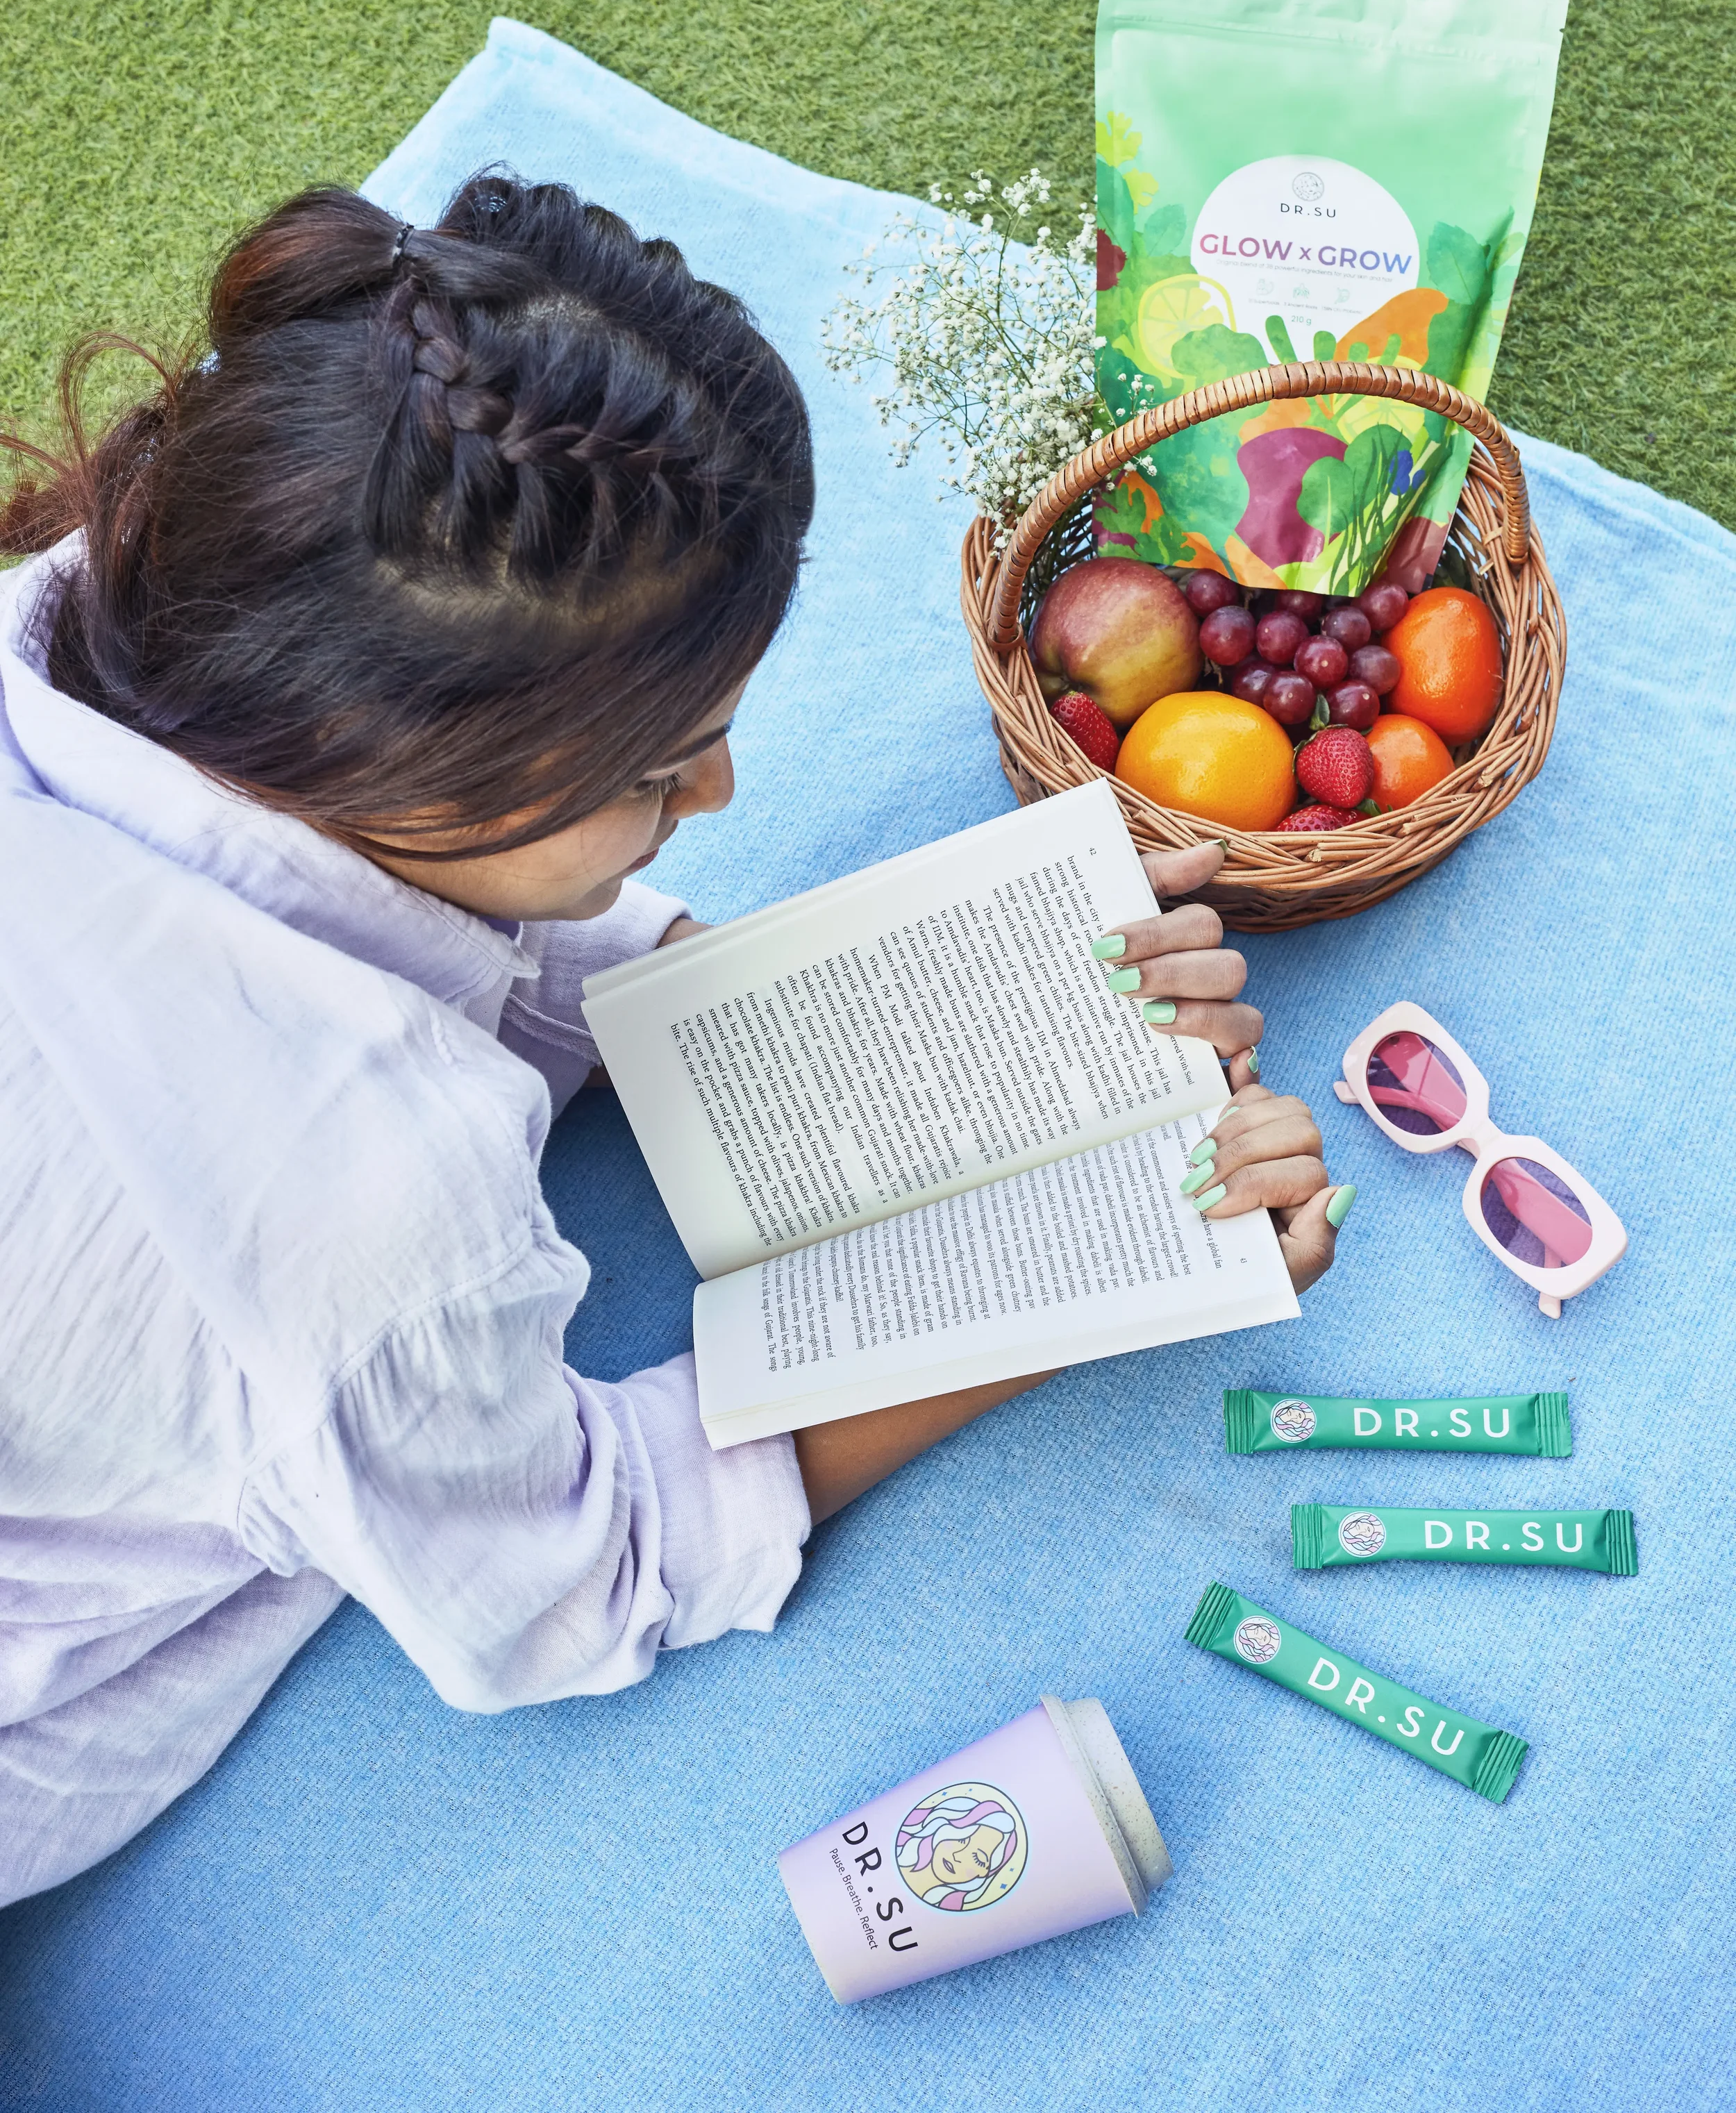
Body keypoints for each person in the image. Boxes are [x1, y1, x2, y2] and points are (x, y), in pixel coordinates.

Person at [0, 174, 1346, 1906]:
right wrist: (1098, 1283)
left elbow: (465, 920)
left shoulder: (102, 608)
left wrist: (949, 989)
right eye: (656, 767)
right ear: (391, 753)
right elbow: (569, 1581)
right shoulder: (371, 1215)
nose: (719, 795)